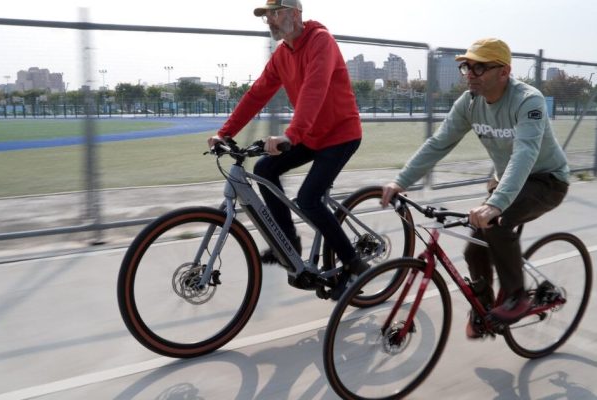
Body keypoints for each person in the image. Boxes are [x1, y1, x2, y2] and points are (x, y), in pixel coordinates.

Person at [380, 38, 570, 338]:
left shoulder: (527, 100)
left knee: (496, 223)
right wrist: (400, 180)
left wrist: (497, 203)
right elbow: (438, 143)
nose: (470, 73)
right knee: (473, 249)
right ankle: (484, 313)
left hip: (546, 180)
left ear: (504, 72)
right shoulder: (469, 102)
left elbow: (525, 153)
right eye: (466, 66)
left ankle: (516, 295)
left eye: (479, 67)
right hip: (505, 182)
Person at [208, 0, 368, 297]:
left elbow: (314, 89)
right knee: (265, 168)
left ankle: (355, 263)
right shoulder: (283, 54)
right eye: (266, 15)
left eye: (276, 13)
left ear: (296, 14)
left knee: (308, 199)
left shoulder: (321, 42)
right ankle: (289, 242)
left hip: (340, 134)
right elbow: (257, 93)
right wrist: (224, 133)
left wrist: (291, 135)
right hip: (311, 135)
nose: (270, 20)